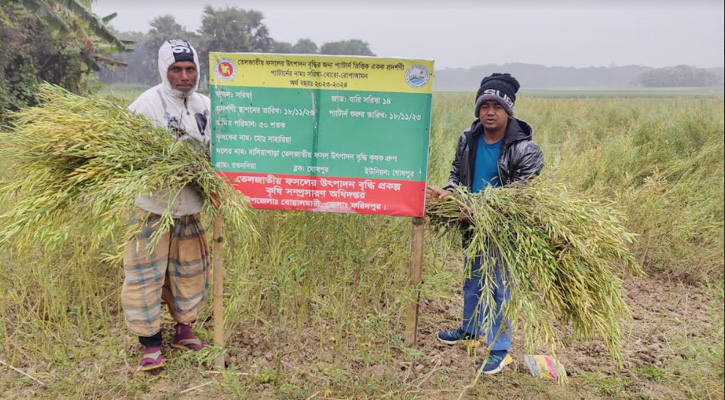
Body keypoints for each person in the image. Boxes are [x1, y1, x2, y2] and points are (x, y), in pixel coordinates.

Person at [426, 73, 543, 375]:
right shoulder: (468, 140)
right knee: (473, 279)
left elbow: (520, 195)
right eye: (484, 105)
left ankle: (499, 349)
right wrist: (449, 193)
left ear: (508, 111)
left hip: (503, 229)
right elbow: (456, 174)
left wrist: (476, 208)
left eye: (497, 106)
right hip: (471, 225)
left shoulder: (525, 150)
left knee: (499, 286)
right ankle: (469, 330)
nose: (489, 112)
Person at [123, 39, 212, 372]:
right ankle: (150, 344)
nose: (184, 76)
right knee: (146, 273)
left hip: (190, 205)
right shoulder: (146, 105)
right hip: (153, 206)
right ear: (164, 70)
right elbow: (128, 156)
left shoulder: (205, 105)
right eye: (176, 69)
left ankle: (184, 330)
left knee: (189, 269)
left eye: (190, 69)